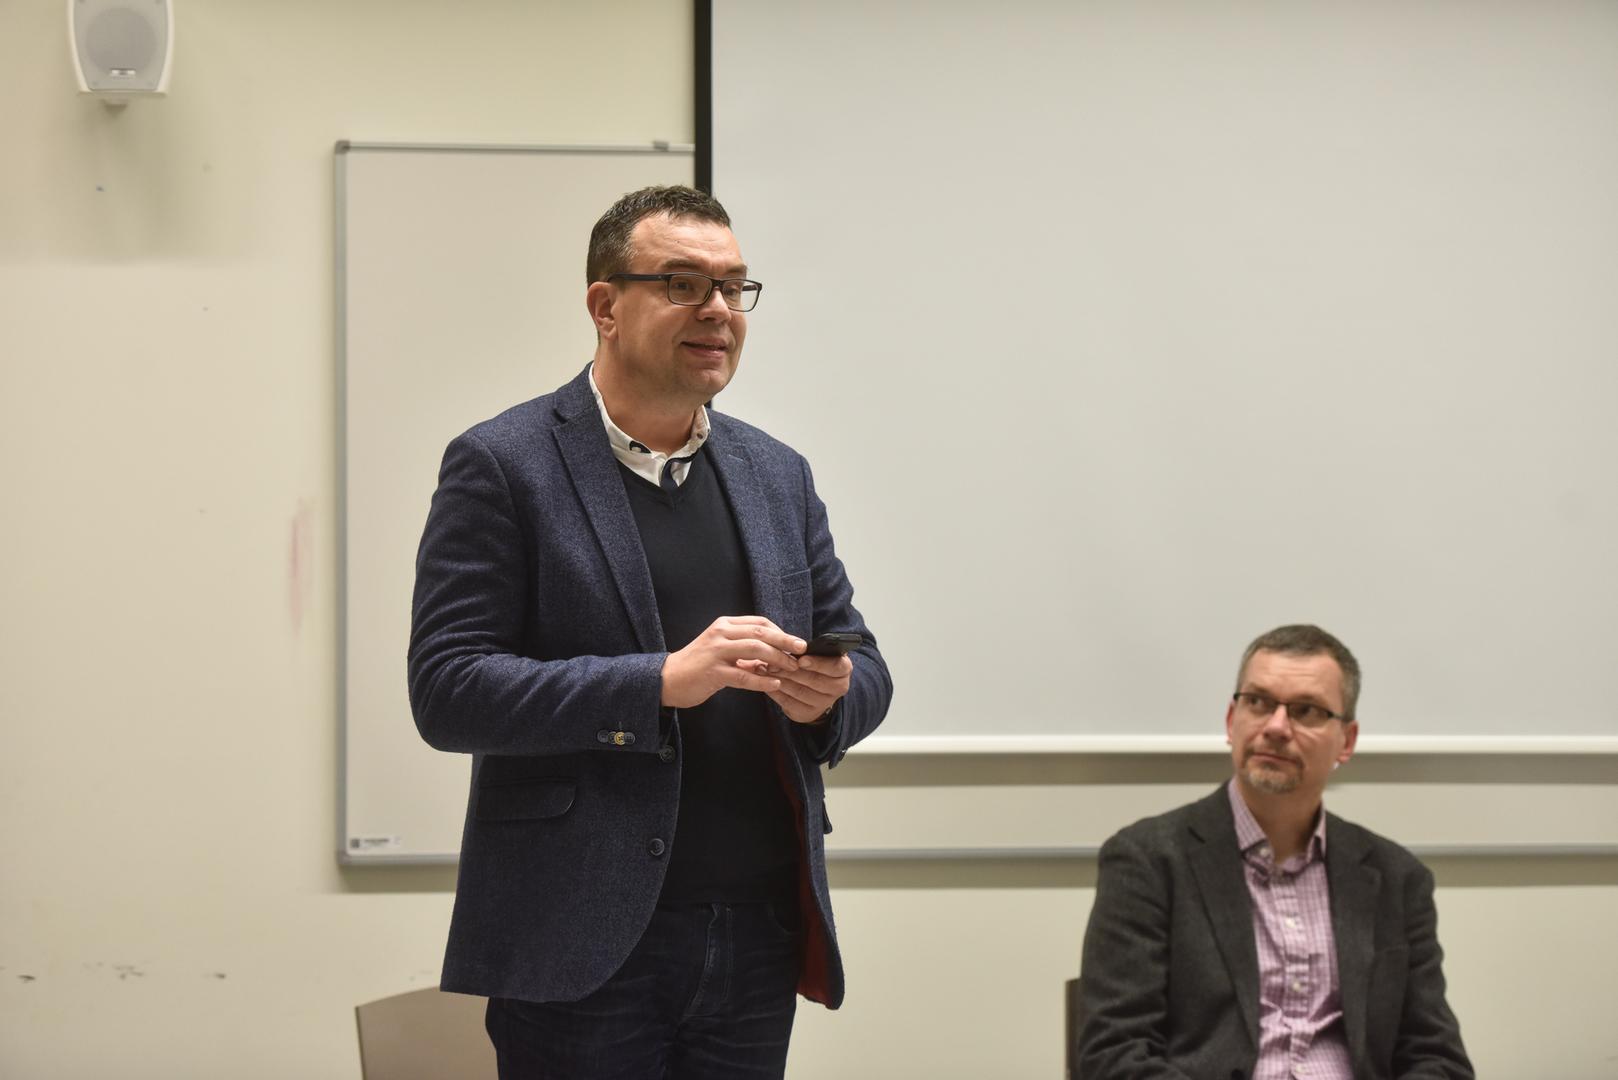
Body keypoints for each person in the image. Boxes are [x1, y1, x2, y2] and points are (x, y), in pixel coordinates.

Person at [407, 185, 892, 1079]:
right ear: (605, 306)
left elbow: (865, 667)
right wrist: (659, 680)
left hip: (753, 937)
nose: (718, 311)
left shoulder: (776, 474)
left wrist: (827, 698)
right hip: (578, 940)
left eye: (733, 287)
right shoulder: (505, 463)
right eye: (682, 284)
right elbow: (449, 690)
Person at [1076, 625, 1472, 1080]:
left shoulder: (1396, 877)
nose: (1277, 727)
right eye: (1258, 702)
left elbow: (1437, 1057)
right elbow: (1114, 1053)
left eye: (1306, 711)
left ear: (1346, 741)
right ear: (1231, 720)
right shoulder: (1148, 860)